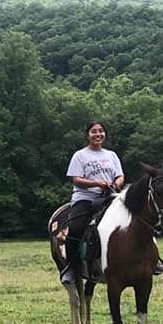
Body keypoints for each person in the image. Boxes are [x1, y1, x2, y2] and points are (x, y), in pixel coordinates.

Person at [59, 121, 127, 284]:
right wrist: (97, 183)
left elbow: (120, 176)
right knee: (75, 228)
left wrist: (116, 184)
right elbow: (76, 179)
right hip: (86, 198)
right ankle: (71, 268)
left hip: (110, 197)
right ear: (87, 135)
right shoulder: (80, 155)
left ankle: (152, 260)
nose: (98, 134)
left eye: (101, 131)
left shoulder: (111, 155)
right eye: (94, 131)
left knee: (136, 219)